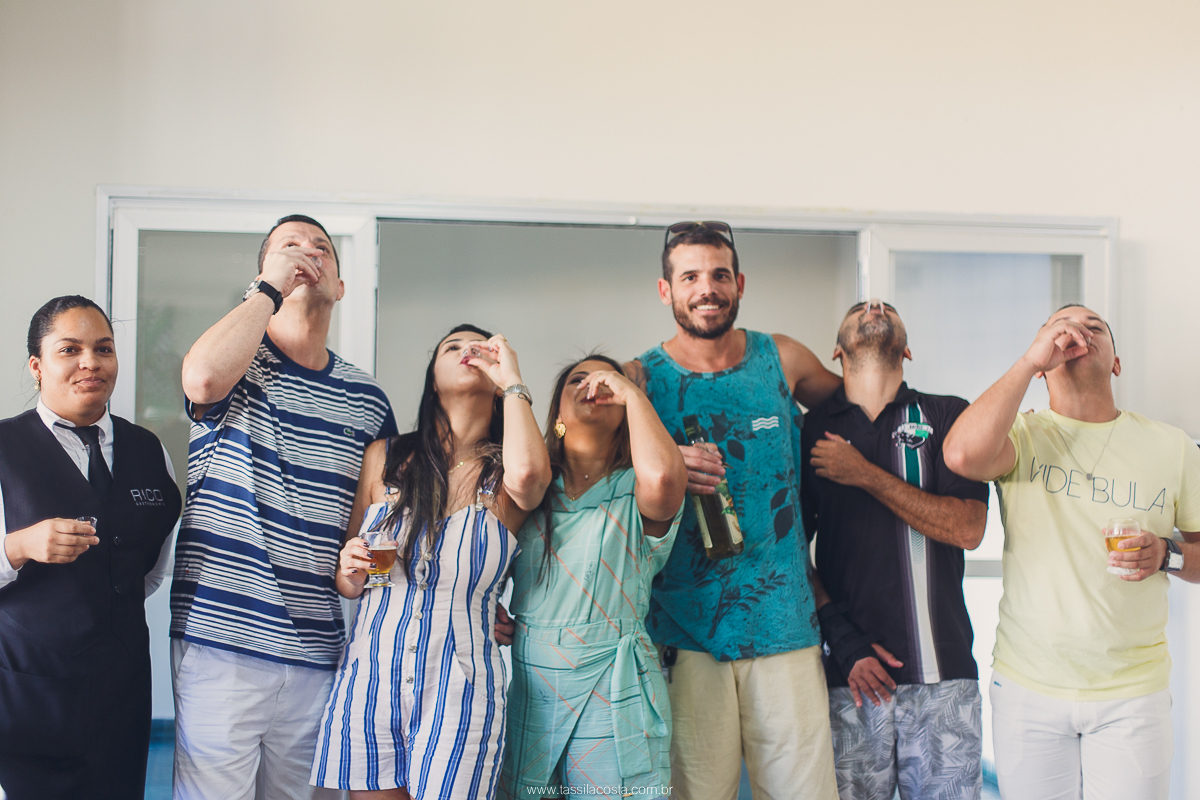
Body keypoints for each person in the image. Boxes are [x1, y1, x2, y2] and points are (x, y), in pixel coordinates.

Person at [172, 215, 398, 800]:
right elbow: (199, 380)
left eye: (321, 248)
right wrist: (268, 291)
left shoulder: (368, 398)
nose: (307, 254)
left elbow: (375, 528)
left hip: (321, 649)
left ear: (340, 286)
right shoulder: (237, 362)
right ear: (265, 271)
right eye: (289, 247)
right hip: (223, 639)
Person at [942, 305, 1200, 800]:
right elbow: (960, 455)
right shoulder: (1022, 436)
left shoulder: (1172, 447)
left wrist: (1168, 554)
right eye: (1062, 329)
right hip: (1028, 689)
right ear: (1043, 359)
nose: (1078, 334)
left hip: (1133, 693)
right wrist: (1028, 361)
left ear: (1117, 363)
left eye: (1094, 328)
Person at [625, 221, 843, 800]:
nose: (707, 288)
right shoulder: (639, 380)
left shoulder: (783, 359)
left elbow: (858, 408)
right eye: (690, 276)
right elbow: (577, 458)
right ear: (665, 290)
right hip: (685, 631)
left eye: (719, 275)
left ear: (740, 283)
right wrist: (663, 459)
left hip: (785, 625)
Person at [311, 325, 551, 799]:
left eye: (480, 349)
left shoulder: (507, 469)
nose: (467, 352)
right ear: (432, 377)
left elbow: (531, 477)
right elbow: (351, 581)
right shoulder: (386, 456)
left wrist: (513, 381)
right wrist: (350, 566)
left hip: (461, 680)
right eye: (452, 347)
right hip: (373, 674)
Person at [800, 300, 989, 800]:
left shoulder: (948, 413)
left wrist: (862, 473)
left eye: (885, 307)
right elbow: (787, 554)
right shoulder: (810, 430)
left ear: (908, 351)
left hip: (944, 678)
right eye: (859, 307)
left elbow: (968, 528)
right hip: (851, 679)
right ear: (837, 352)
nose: (875, 306)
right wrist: (845, 642)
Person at [0, 296, 181, 800]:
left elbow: (153, 568)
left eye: (103, 348)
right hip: (28, 691)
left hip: (119, 692)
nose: (90, 363)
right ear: (37, 366)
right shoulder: (5, 448)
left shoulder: (149, 450)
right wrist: (17, 546)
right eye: (69, 349)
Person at [500, 355, 687, 798]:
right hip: (534, 685)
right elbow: (480, 557)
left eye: (607, 379)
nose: (593, 385)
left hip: (614, 683)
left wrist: (632, 391)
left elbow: (662, 475)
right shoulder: (531, 489)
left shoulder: (637, 486)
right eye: (577, 380)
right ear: (557, 414)